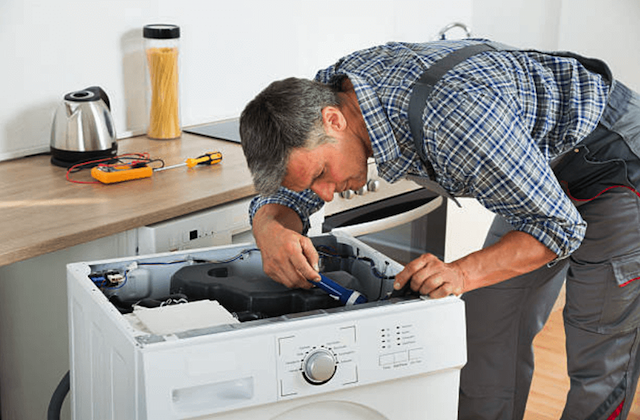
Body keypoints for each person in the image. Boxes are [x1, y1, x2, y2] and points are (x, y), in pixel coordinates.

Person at [239, 38, 640, 420]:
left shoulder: (455, 121)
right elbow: (289, 193)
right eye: (311, 185)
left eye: (322, 174)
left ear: (334, 120)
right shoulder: (331, 95)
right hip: (530, 165)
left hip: (611, 159)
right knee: (486, 329)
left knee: (599, 349)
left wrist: (461, 272)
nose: (324, 194)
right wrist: (270, 227)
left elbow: (557, 225)